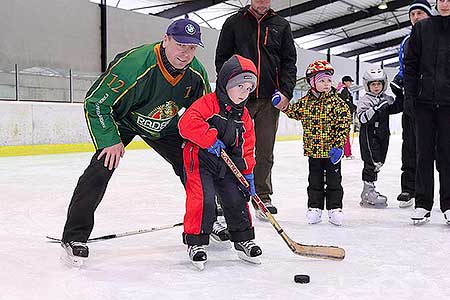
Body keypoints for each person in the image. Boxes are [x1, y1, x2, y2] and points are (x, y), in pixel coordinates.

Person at [60, 19, 212, 267]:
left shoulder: (196, 74)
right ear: (166, 40)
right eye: (181, 45)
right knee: (100, 169)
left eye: (192, 48)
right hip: (123, 121)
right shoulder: (133, 65)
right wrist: (109, 139)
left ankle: (209, 219)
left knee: (194, 166)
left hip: (165, 126)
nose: (186, 54)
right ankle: (74, 236)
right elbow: (96, 102)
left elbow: (206, 111)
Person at [178, 55, 262, 270]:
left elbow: (247, 147)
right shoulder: (208, 103)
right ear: (225, 83)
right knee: (204, 199)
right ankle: (196, 243)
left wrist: (248, 174)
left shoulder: (244, 117)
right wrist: (208, 139)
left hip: (227, 163)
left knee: (236, 198)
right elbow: (186, 123)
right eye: (239, 86)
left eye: (249, 88)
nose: (244, 92)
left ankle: (243, 238)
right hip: (200, 158)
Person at [215, 0, 297, 218]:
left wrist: (286, 92)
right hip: (240, 98)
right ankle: (226, 196)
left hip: (270, 101)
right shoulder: (234, 23)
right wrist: (228, 90)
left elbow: (289, 61)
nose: (262, 1)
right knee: (232, 147)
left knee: (264, 151)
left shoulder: (281, 25)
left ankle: (261, 195)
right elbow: (222, 59)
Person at [273, 60, 351, 226]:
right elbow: (293, 112)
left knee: (334, 181)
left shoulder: (337, 103)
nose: (326, 84)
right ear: (312, 82)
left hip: (332, 152)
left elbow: (344, 123)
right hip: (314, 150)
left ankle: (334, 208)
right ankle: (314, 208)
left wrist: (338, 146)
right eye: (322, 80)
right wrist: (281, 105)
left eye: (329, 80)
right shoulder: (305, 102)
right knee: (314, 181)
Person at [404, 0, 450, 225]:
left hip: (448, 104)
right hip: (423, 103)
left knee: (447, 155)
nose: (445, 3)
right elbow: (410, 65)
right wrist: (410, 97)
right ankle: (422, 203)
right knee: (423, 154)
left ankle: (449, 204)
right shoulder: (422, 28)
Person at [390, 0, 433, 209]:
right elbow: (404, 67)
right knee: (410, 146)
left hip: (436, 100)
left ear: (429, 15)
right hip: (412, 100)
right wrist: (399, 81)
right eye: (413, 14)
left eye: (420, 13)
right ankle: (409, 188)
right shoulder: (407, 41)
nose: (416, 17)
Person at [357, 69, 403, 208]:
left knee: (379, 163)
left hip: (383, 135)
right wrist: (377, 108)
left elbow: (395, 108)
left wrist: (400, 96)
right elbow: (362, 118)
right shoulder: (365, 100)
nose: (376, 87)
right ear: (367, 85)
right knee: (371, 163)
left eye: (379, 84)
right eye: (373, 84)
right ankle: (367, 193)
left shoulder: (386, 98)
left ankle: (370, 190)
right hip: (369, 137)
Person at [338, 75, 357, 159]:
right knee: (344, 135)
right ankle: (347, 153)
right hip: (343, 116)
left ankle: (343, 153)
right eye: (349, 81)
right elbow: (346, 103)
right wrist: (355, 108)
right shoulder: (344, 90)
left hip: (344, 115)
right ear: (345, 82)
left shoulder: (344, 90)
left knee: (342, 134)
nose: (350, 83)